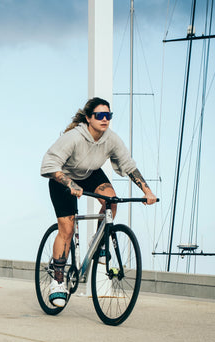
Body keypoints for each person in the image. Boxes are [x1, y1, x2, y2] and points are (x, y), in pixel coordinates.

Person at [40, 97, 157, 307]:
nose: (105, 119)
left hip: (90, 174)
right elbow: (48, 165)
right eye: (100, 116)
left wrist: (147, 191)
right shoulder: (74, 137)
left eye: (108, 116)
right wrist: (70, 183)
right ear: (88, 118)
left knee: (111, 199)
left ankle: (100, 238)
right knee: (66, 228)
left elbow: (128, 166)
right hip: (62, 177)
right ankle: (58, 280)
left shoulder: (111, 139)